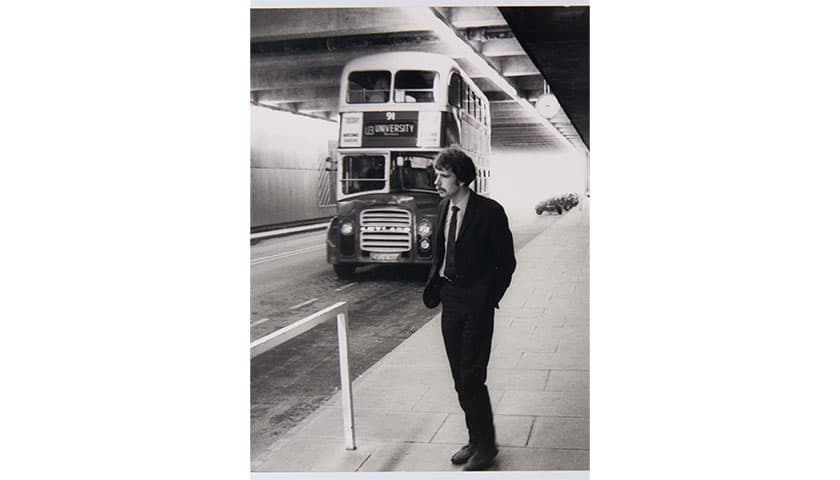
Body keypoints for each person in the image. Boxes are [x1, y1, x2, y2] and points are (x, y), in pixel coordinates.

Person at [422, 147, 516, 471]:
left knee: (473, 377)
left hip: (476, 304)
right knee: (459, 379)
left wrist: (488, 298)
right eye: (437, 174)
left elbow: (507, 263)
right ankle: (475, 439)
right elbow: (441, 252)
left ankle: (487, 448)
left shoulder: (490, 212)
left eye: (443, 175)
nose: (437, 181)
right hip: (450, 302)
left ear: (461, 178)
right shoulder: (442, 207)